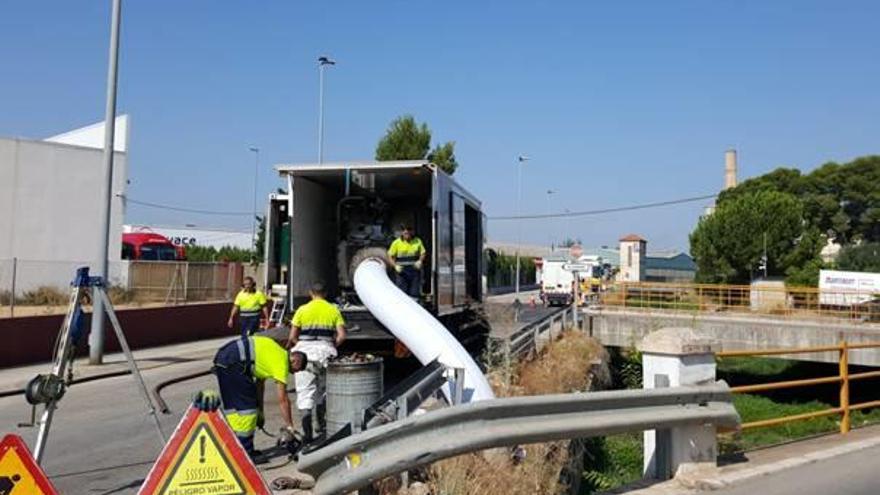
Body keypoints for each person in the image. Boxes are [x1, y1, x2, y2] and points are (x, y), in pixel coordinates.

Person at [212, 334, 307, 461]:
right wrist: (290, 426)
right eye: (297, 370)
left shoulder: (274, 353)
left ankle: (236, 449)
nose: (295, 373)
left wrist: (260, 412)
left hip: (225, 359)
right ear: (295, 360)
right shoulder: (282, 362)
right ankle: (245, 455)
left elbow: (259, 386)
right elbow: (283, 399)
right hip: (234, 363)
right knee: (248, 411)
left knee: (234, 409)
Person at [286, 282, 346, 443]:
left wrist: (300, 344)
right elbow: (341, 335)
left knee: (305, 394)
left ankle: (308, 434)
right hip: (325, 354)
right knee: (323, 392)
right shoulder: (333, 309)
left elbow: (292, 337)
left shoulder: (302, 310)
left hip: (304, 356)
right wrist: (332, 344)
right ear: (325, 293)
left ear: (310, 293)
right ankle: (321, 424)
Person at [387, 224, 426, 300]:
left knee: (414, 293)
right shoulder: (396, 243)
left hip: (414, 270)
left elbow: (423, 253)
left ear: (412, 232)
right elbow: (390, 257)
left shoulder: (417, 241)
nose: (407, 234)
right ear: (402, 233)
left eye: (409, 232)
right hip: (402, 272)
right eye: (405, 232)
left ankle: (415, 307)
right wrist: (395, 266)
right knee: (402, 293)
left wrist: (420, 261)